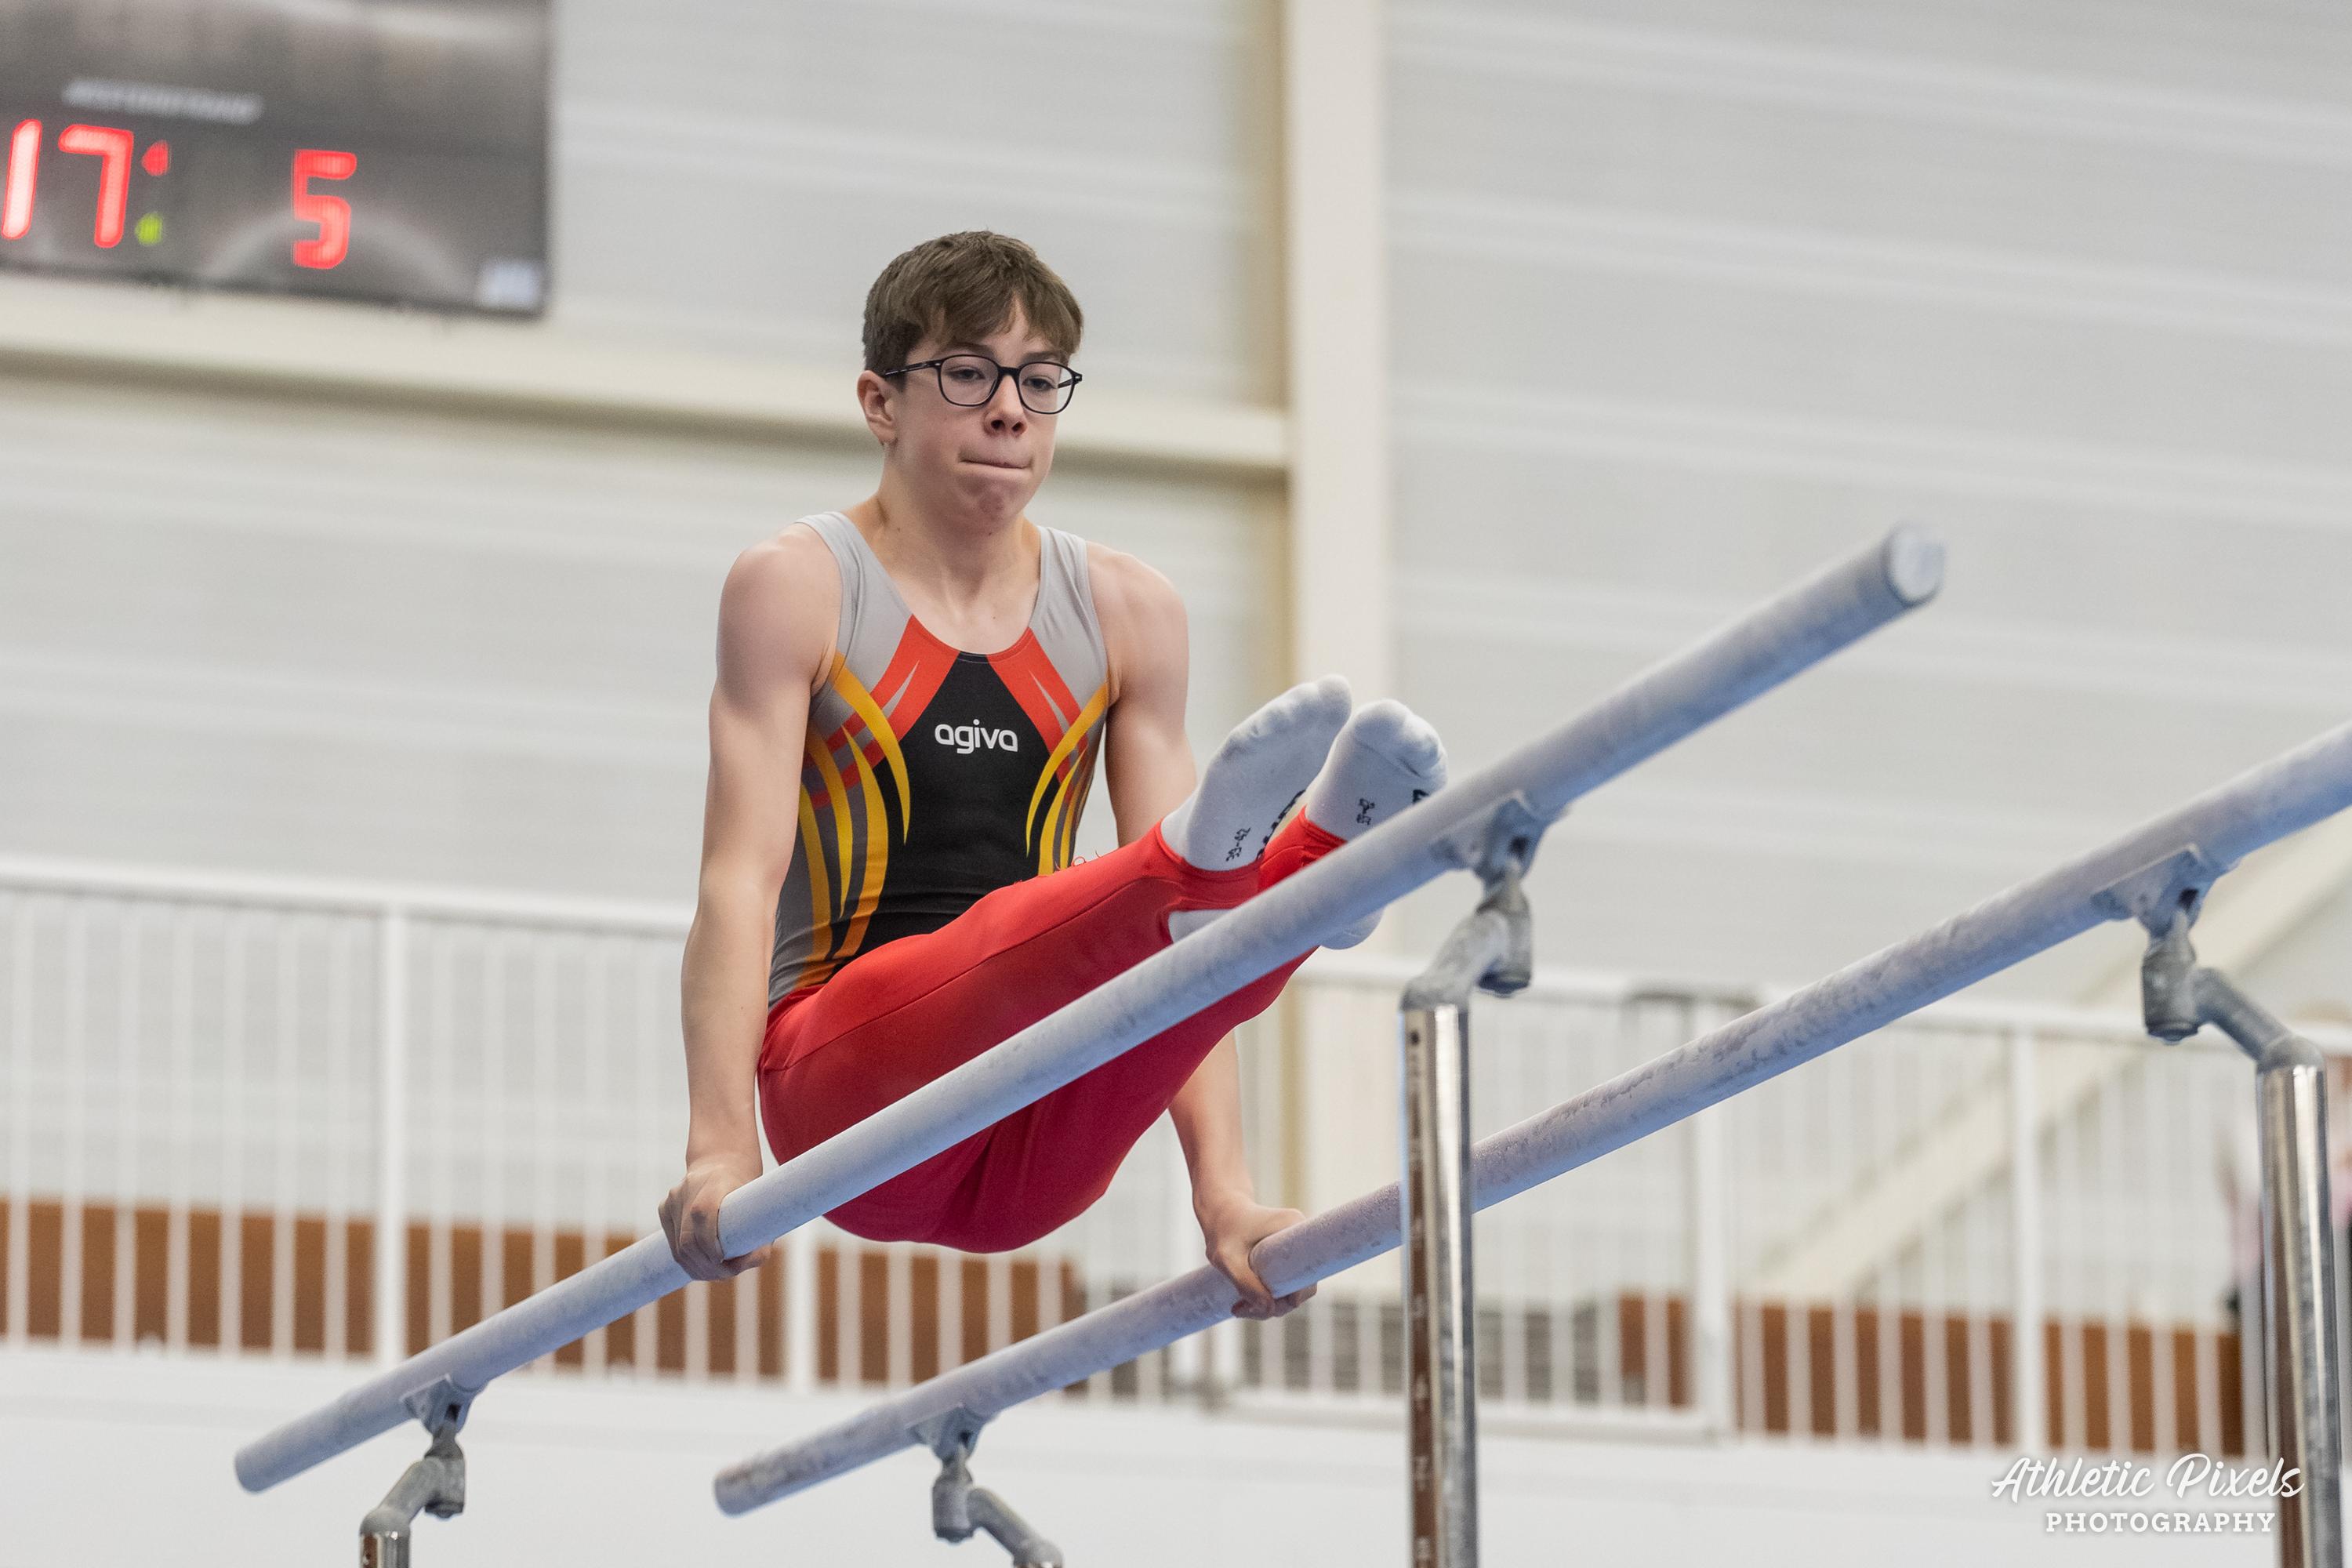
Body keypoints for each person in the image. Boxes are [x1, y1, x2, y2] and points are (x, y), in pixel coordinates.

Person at [659, 231, 1446, 1320]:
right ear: (880, 402)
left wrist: (1228, 1201)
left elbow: (1186, 958)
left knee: (1177, 950)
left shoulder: (1128, 612)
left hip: (1038, 1142)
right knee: (1126, 904)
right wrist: (719, 1148)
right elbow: (737, 882)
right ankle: (1302, 880)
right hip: (845, 1111)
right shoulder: (797, 588)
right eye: (968, 374)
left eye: (1039, 381)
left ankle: (1298, 883)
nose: (1010, 412)